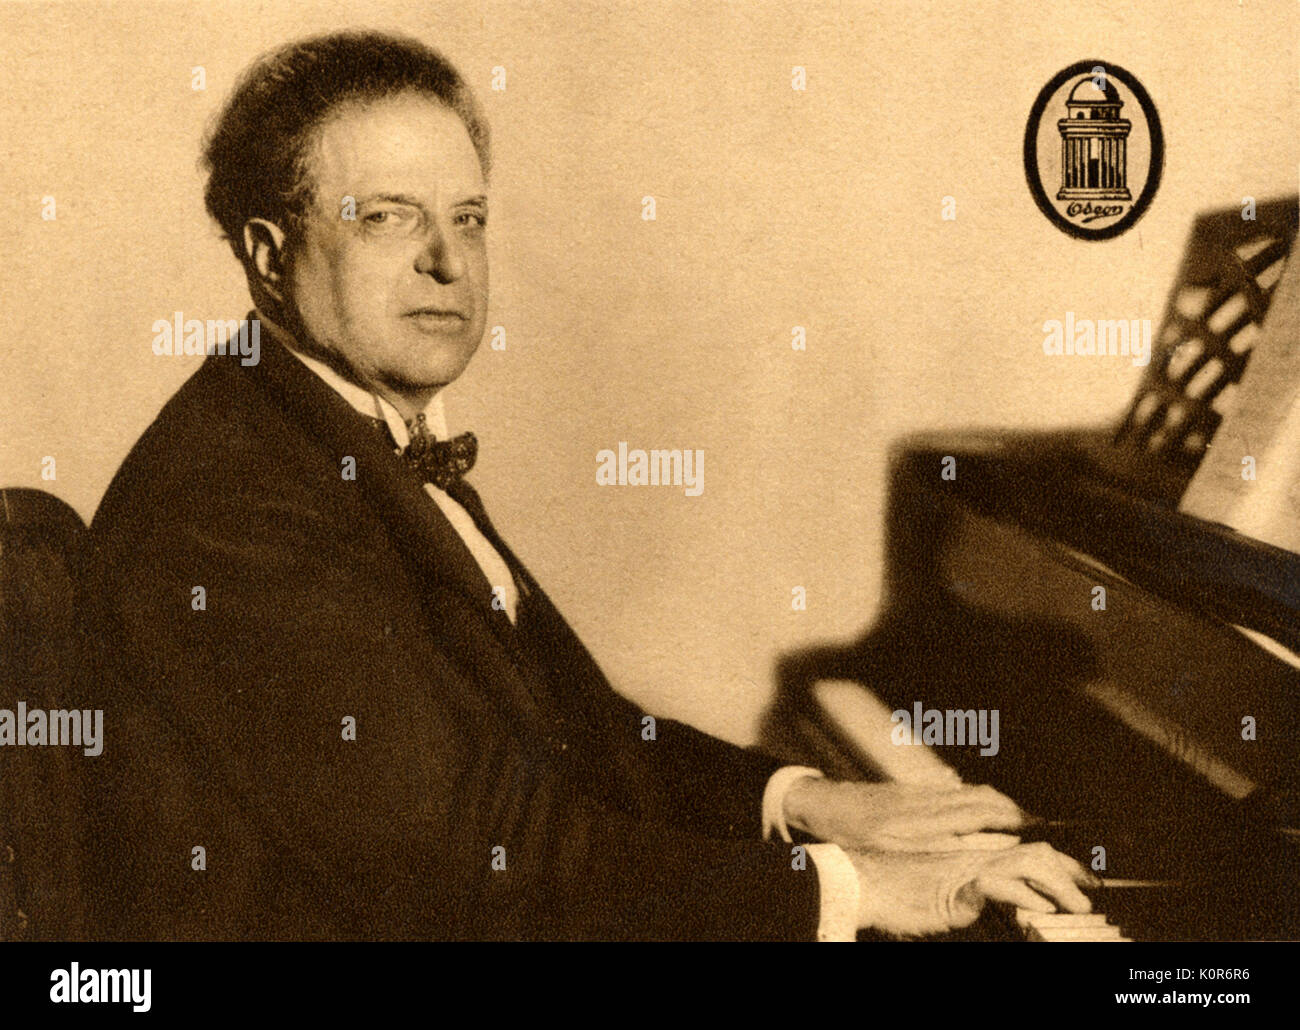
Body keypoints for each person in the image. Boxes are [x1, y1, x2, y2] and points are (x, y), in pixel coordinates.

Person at [81, 29, 1096, 940]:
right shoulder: (229, 503)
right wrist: (854, 892)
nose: (448, 263)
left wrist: (799, 800)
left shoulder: (332, 430)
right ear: (269, 255)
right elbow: (475, 858)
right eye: (388, 217)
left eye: (469, 218)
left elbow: (578, 732)